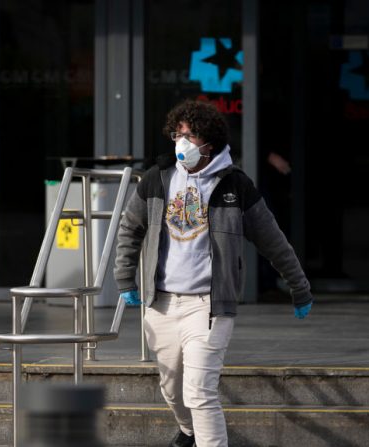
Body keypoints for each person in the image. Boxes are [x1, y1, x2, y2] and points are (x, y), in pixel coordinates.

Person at [114, 99, 312, 447]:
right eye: (177, 135)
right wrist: (124, 277)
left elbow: (272, 240)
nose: (181, 143)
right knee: (172, 389)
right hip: (160, 303)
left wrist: (299, 287)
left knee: (199, 392)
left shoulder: (235, 185)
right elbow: (131, 228)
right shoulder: (157, 178)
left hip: (209, 305)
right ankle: (188, 432)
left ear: (209, 142)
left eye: (190, 136)